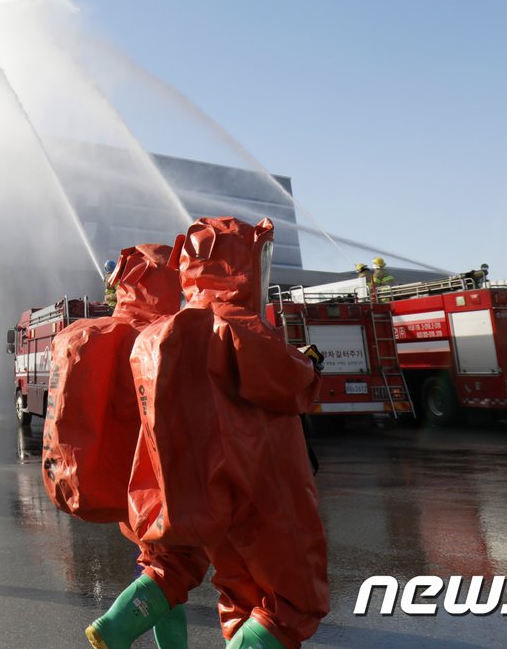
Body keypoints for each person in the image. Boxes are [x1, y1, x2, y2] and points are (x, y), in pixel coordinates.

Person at [88, 218, 329, 649]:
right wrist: (309, 366)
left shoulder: (163, 334)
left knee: (226, 588)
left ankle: (117, 628)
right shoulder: (237, 325)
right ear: (239, 264)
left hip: (194, 485)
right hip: (258, 480)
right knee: (291, 601)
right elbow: (291, 383)